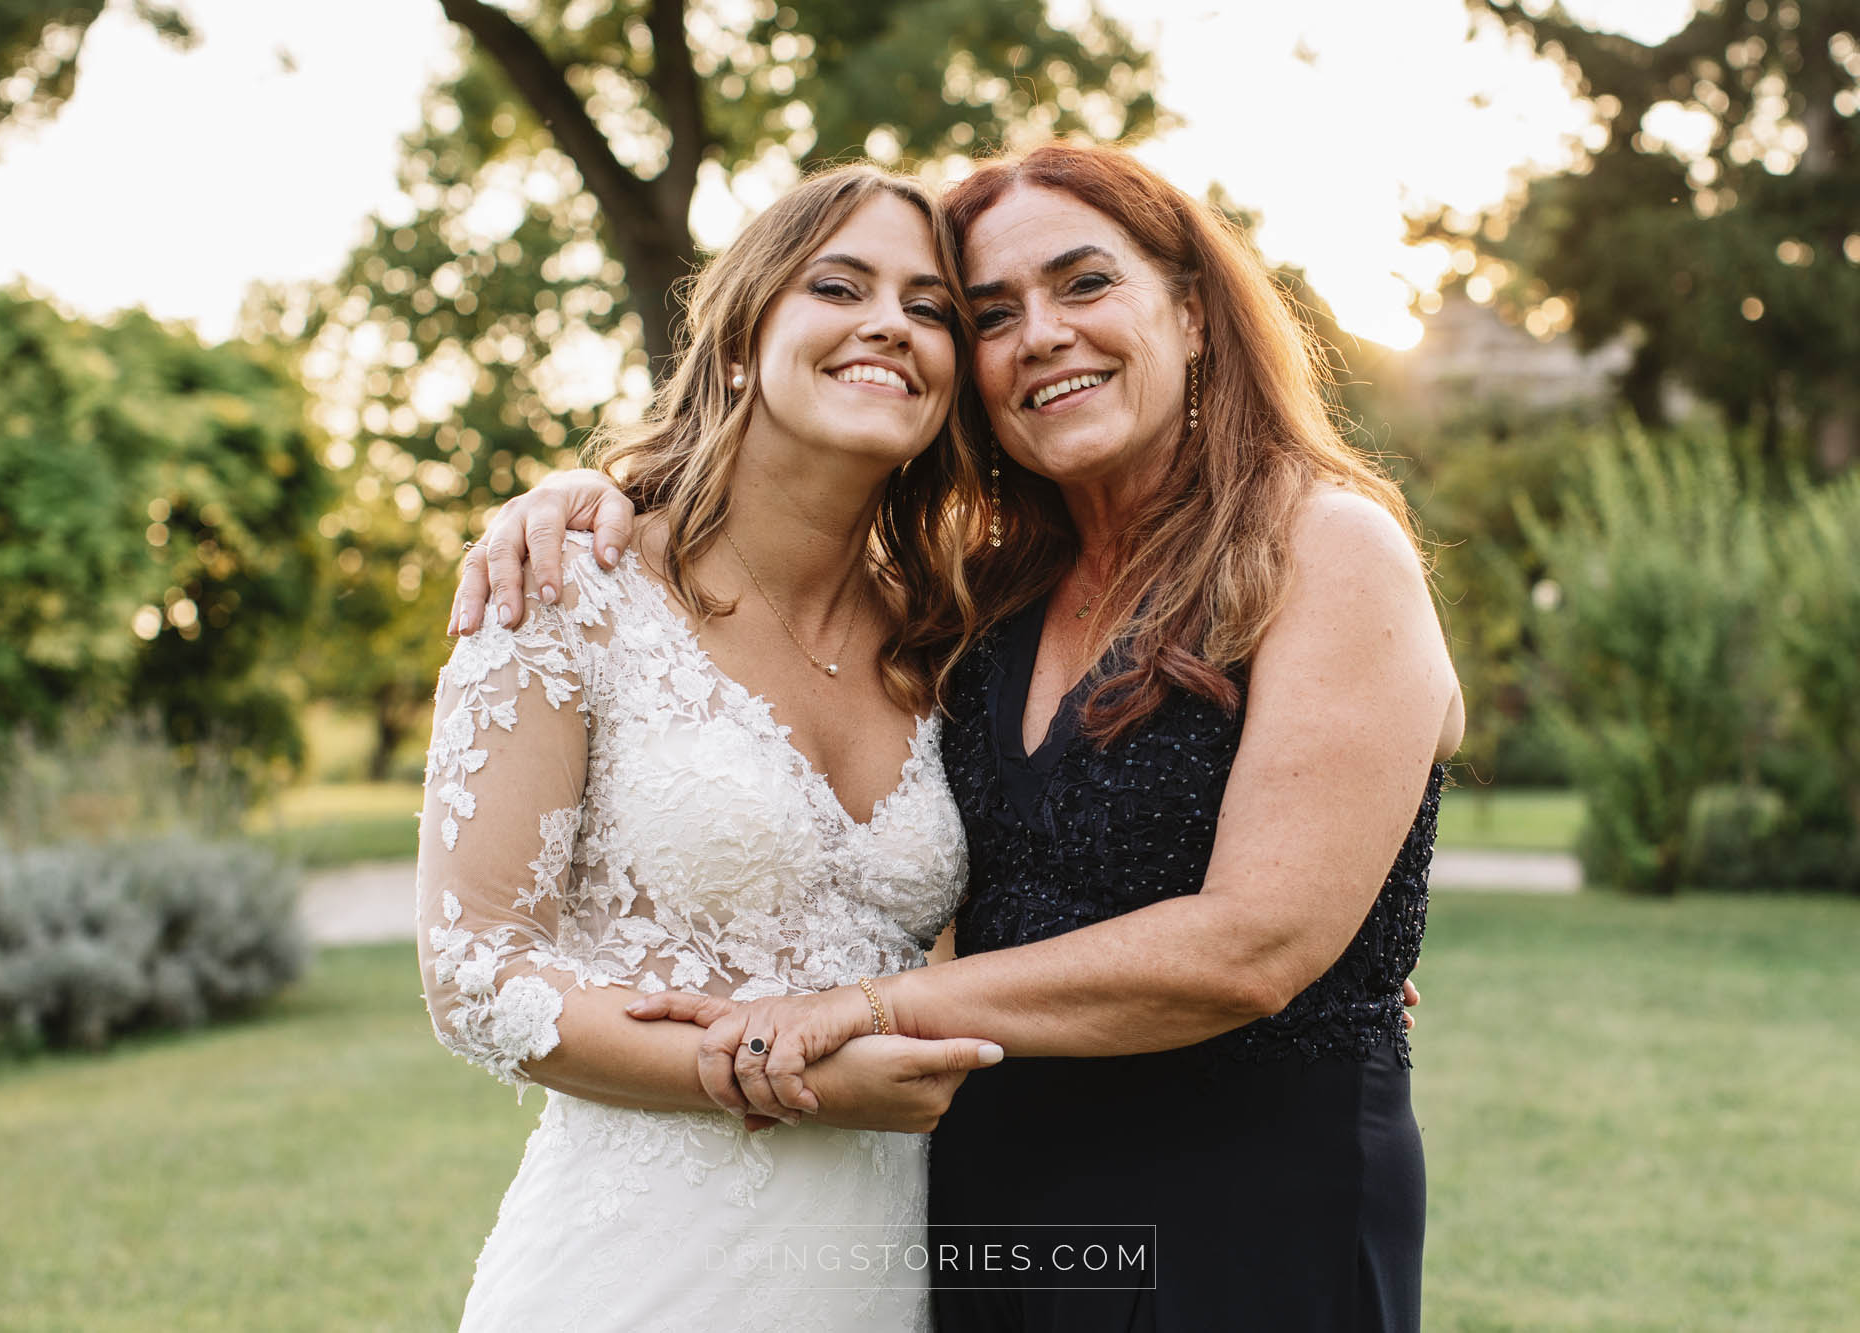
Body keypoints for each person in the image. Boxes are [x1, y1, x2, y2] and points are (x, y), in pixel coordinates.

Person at [454, 142, 1459, 1331]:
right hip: (983, 1208)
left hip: (1243, 1212)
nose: (1039, 334)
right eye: (990, 313)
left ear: (1191, 315)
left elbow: (1257, 943)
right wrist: (591, 491)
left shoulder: (1323, 545)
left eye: (1083, 284)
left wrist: (869, 1009)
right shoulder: (975, 604)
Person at [414, 163, 1011, 1333]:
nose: (889, 322)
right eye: (837, 285)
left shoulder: (949, 639)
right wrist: (764, 1069)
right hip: (632, 1272)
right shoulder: (568, 589)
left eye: (930, 307)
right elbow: (472, 970)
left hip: (875, 1271)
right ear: (741, 340)